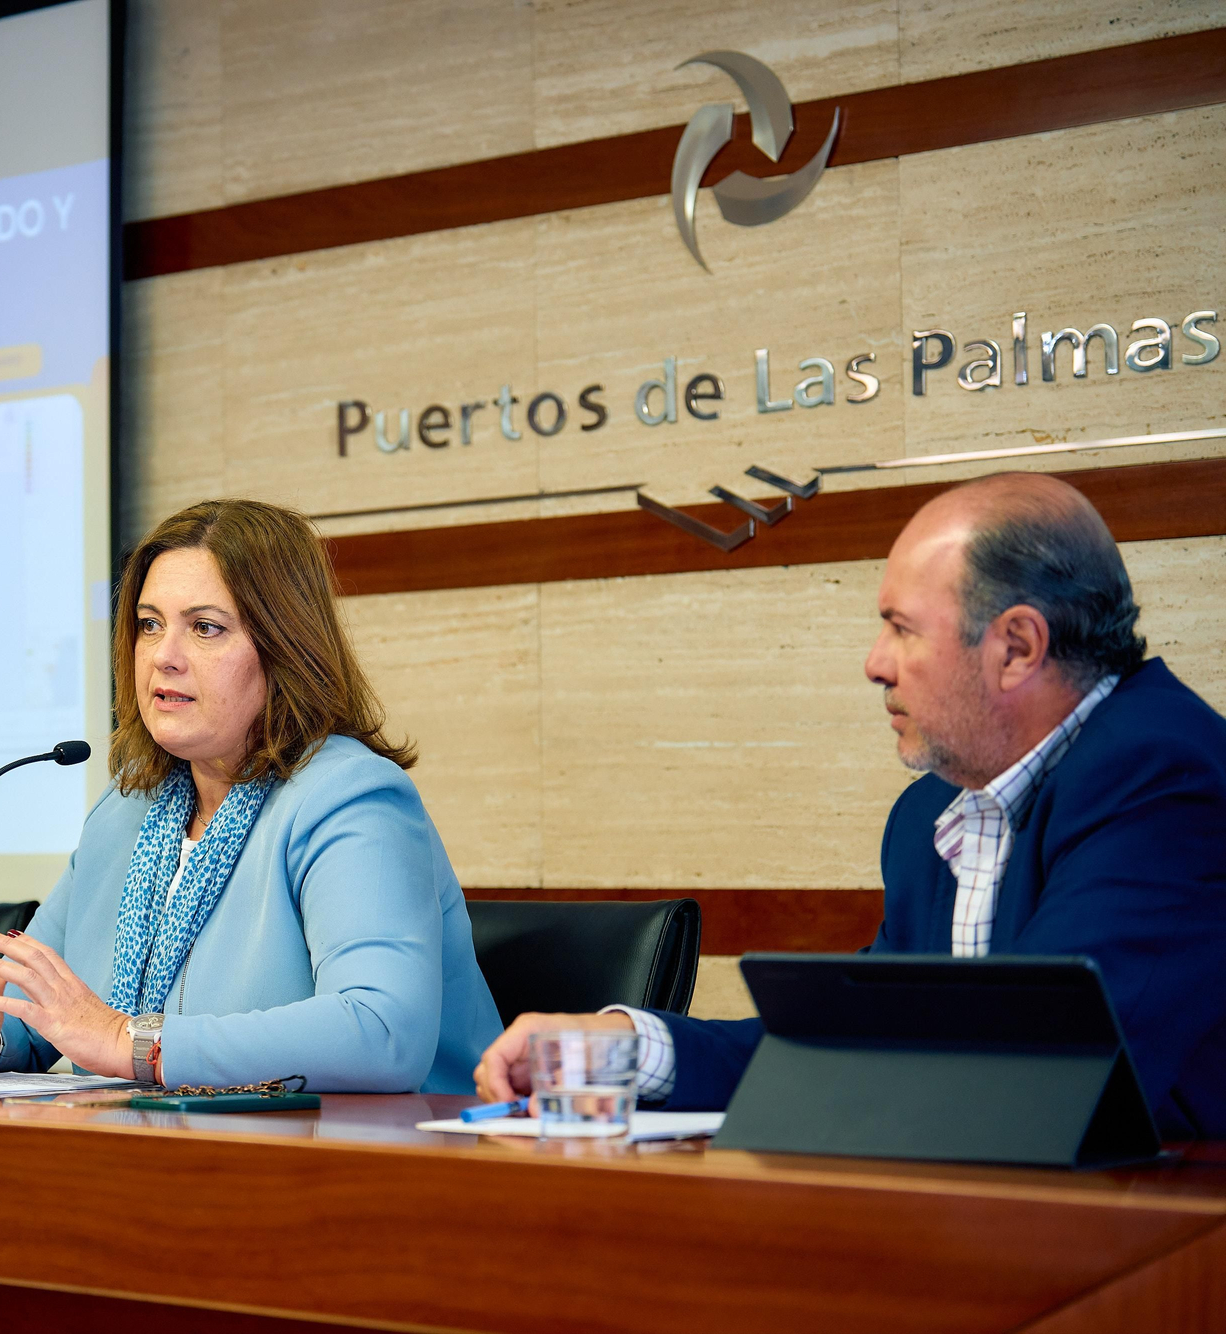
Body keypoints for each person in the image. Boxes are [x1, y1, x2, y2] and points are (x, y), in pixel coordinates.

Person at [474, 472, 1226, 1139]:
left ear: (1019, 646)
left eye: (901, 628)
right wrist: (627, 1052)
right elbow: (860, 1045)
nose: (874, 663)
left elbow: (1039, 1071)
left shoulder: (1161, 777)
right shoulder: (931, 814)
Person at [0, 499, 503, 1091]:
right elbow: (51, 1022)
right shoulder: (125, 812)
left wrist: (131, 1043)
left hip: (369, 1161)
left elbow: (381, 1033)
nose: (163, 658)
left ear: (284, 649)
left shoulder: (352, 798)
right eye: (149, 625)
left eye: (205, 628)